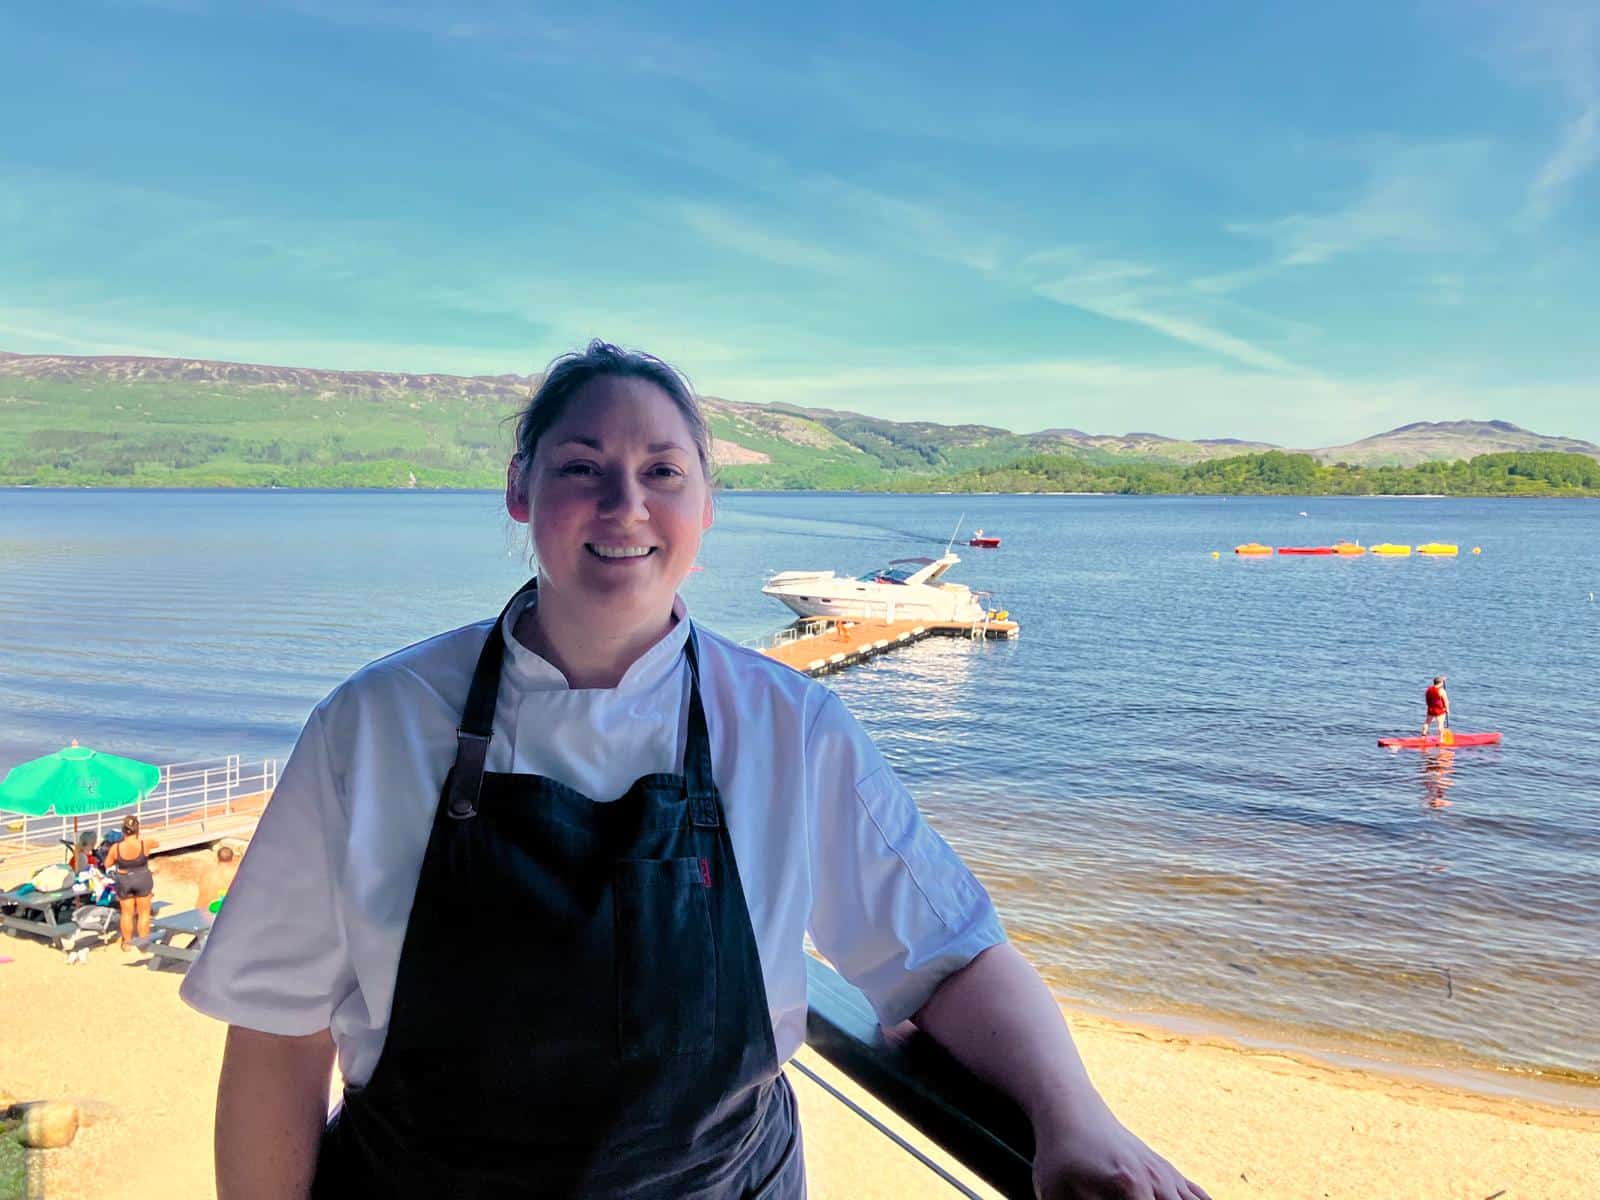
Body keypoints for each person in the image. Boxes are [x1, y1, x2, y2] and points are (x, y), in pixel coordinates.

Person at [180, 341, 1208, 1200]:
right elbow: (276, 1037)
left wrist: (1073, 1118)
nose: (624, 504)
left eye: (663, 472)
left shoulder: (789, 727)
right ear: (520, 491)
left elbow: (949, 955)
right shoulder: (373, 724)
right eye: (581, 466)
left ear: (706, 507)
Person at [102, 815, 157, 950]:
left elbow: (107, 864)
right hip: (142, 878)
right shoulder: (145, 844)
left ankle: (127, 943)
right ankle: (143, 942)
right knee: (144, 913)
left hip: (125, 880)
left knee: (127, 913)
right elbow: (156, 843)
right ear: (137, 829)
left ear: (123, 831)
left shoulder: (116, 847)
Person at [195, 844, 240, 924]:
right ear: (232, 858)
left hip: (200, 913)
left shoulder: (206, 871)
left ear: (218, 857)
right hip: (218, 916)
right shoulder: (234, 872)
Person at [1422, 675, 1450, 740]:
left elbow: (1428, 699)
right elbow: (1446, 702)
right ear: (1440, 683)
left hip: (1431, 708)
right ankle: (1441, 739)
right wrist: (1447, 709)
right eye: (1442, 682)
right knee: (1440, 724)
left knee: (1427, 722)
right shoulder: (1442, 691)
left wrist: (1443, 679)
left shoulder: (1429, 689)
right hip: (1439, 710)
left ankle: (1423, 736)